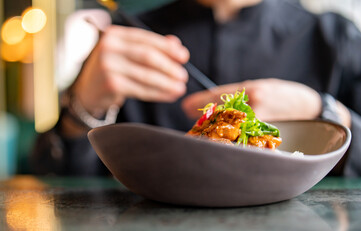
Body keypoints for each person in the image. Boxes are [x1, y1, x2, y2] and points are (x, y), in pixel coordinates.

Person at [31, 0, 361, 176]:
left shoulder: (335, 38)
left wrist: (326, 114)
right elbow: (49, 184)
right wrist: (84, 108)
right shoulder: (126, 36)